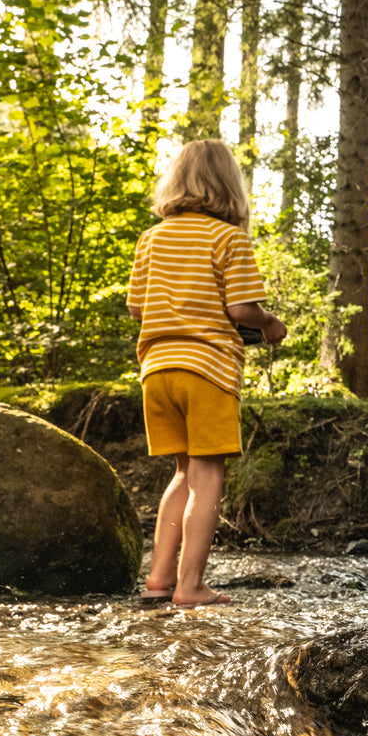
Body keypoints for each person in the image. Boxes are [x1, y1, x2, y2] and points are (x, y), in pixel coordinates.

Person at [127, 139, 286, 607]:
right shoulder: (228, 238)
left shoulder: (152, 237)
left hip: (156, 371)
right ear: (229, 185)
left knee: (182, 473)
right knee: (207, 475)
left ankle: (158, 579)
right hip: (208, 370)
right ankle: (190, 586)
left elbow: (137, 307)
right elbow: (241, 308)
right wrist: (270, 325)